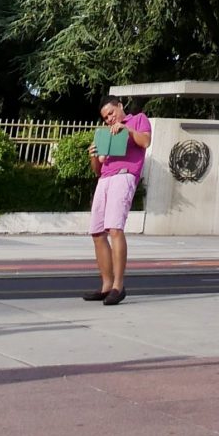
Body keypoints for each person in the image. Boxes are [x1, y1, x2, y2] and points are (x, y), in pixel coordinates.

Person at [84, 97, 151, 306]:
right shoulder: (106, 133)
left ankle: (118, 286)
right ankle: (106, 285)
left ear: (120, 106)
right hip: (105, 178)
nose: (109, 119)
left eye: (111, 113)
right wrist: (93, 155)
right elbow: (98, 169)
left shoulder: (138, 120)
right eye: (105, 117)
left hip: (124, 175)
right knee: (97, 232)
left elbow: (145, 142)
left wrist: (127, 130)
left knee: (114, 228)